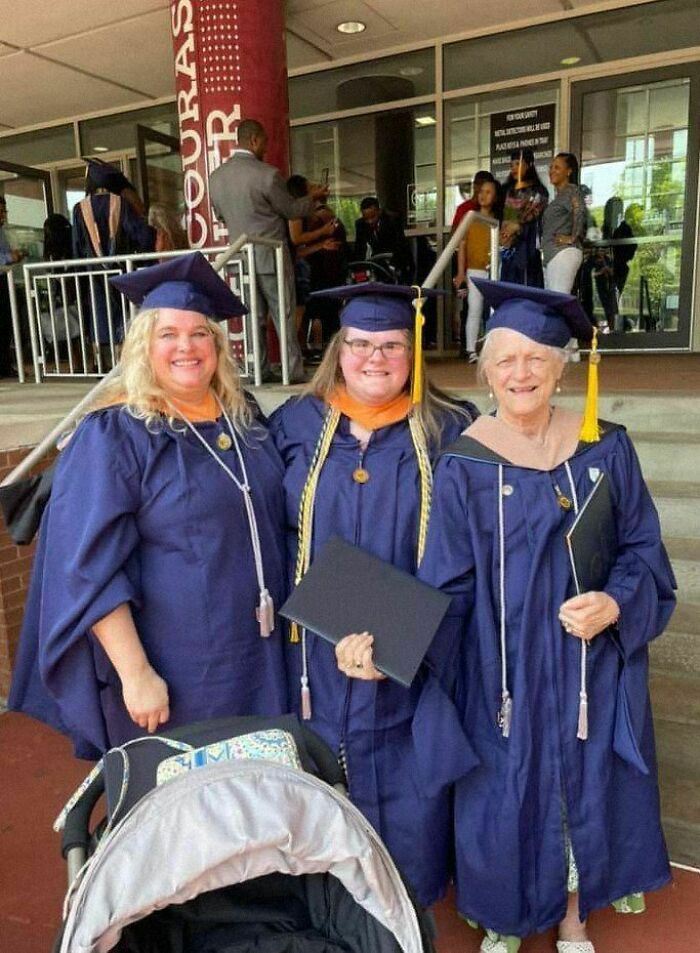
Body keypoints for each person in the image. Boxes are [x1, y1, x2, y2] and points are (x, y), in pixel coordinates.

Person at [419, 279, 676, 953]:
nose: (520, 372)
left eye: (536, 356)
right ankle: (505, 916)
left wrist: (617, 602)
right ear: (486, 373)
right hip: (502, 666)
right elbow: (444, 582)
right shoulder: (465, 463)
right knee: (505, 790)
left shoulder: (604, 448)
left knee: (586, 783)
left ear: (562, 366)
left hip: (591, 661)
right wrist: (399, 640)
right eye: (504, 359)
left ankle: (573, 918)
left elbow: (642, 551)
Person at [9, 252, 289, 760]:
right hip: (178, 667)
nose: (187, 346)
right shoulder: (116, 434)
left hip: (260, 656)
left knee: (258, 802)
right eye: (168, 335)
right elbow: (89, 567)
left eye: (200, 333)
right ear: (144, 348)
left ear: (218, 346)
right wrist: (136, 675)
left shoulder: (244, 420)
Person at [269, 283, 479, 909]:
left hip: (411, 653)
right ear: (339, 348)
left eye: (392, 344)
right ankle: (330, 907)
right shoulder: (292, 425)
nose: (375, 357)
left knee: (407, 777)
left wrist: (397, 638)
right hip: (312, 656)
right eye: (361, 343)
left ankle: (404, 910)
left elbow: (471, 546)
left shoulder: (450, 428)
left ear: (413, 353)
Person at [209, 119, 328, 383]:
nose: (266, 146)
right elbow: (291, 210)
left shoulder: (216, 178)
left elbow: (221, 216)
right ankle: (291, 372)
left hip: (241, 259)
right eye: (264, 141)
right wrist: (314, 198)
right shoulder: (268, 175)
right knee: (283, 314)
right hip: (271, 256)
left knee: (254, 318)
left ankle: (260, 370)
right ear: (254, 140)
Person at [72, 160, 154, 368]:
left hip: (93, 275)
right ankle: (123, 364)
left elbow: (77, 246)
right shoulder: (120, 203)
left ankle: (101, 365)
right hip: (120, 271)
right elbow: (141, 235)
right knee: (121, 316)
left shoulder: (79, 209)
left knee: (99, 315)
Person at [453, 179, 500, 362]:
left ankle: (492, 348)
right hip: (474, 270)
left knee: (493, 310)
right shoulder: (470, 217)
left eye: (488, 192)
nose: (483, 195)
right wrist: (460, 272)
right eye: (481, 191)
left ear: (495, 197)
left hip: (493, 270)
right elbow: (462, 246)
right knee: (474, 308)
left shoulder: (496, 220)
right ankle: (471, 349)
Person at [499, 149, 548, 288]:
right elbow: (504, 218)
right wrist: (505, 233)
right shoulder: (507, 191)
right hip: (508, 247)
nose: (514, 168)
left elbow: (533, 214)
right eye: (511, 165)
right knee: (507, 290)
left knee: (527, 291)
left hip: (528, 247)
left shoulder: (539, 191)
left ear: (529, 165)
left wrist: (517, 225)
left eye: (518, 163)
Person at [542, 153, 587, 294]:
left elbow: (579, 211)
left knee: (558, 304)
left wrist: (573, 237)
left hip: (563, 254)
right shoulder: (559, 197)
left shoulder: (572, 191)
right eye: (551, 167)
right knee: (554, 305)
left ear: (568, 171)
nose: (552, 171)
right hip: (554, 256)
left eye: (557, 167)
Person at [352, 197, 414, 283]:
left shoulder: (392, 220)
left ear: (379, 211)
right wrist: (359, 268)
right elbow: (359, 248)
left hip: (398, 259)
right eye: (366, 218)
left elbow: (400, 245)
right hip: (379, 262)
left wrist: (393, 266)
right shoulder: (360, 225)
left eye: (373, 217)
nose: (370, 221)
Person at [0, 194, 26, 377]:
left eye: (4, 211)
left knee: (6, 325)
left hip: (4, 279)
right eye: (0, 212)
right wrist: (10, 257)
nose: (3, 215)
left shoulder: (2, 231)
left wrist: (14, 255)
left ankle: (5, 366)